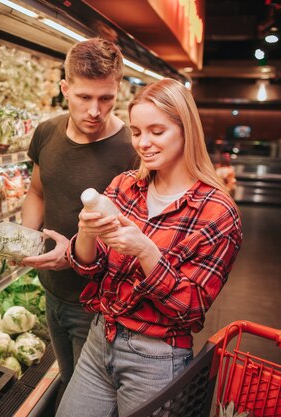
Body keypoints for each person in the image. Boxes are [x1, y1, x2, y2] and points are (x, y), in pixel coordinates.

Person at [29, 78, 242, 416]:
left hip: (156, 358)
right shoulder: (126, 185)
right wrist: (85, 232)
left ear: (185, 130)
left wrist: (146, 252)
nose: (144, 143)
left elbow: (190, 309)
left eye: (157, 131)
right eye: (138, 132)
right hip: (100, 339)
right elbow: (90, 267)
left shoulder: (216, 213)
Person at [21, 37, 138, 397]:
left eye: (106, 98)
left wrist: (70, 252)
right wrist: (23, 238)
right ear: (64, 88)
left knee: (87, 400)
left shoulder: (133, 149)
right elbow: (37, 192)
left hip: (100, 305)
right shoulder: (46, 133)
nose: (94, 110)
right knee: (68, 382)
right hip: (53, 292)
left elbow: (135, 230)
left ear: (118, 90)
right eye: (84, 97)